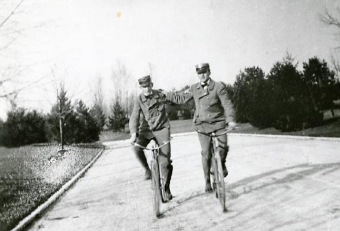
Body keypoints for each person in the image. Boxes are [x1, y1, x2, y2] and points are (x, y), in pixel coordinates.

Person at [162, 63, 236, 193]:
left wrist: (230, 120)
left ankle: (221, 164)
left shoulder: (219, 87)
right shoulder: (194, 88)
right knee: (206, 153)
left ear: (209, 72)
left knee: (223, 147)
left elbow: (227, 104)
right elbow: (180, 98)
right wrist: (167, 95)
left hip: (218, 122)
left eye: (204, 72)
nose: (202, 75)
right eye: (199, 73)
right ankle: (207, 179)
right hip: (202, 124)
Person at [129, 75, 173, 201]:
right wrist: (133, 133)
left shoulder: (160, 94)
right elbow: (134, 117)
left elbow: (175, 99)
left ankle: (166, 187)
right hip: (146, 130)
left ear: (151, 85)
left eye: (148, 86)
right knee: (137, 148)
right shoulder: (139, 99)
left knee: (165, 162)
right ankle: (148, 170)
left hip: (162, 129)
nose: (146, 89)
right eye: (144, 87)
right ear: (140, 87)